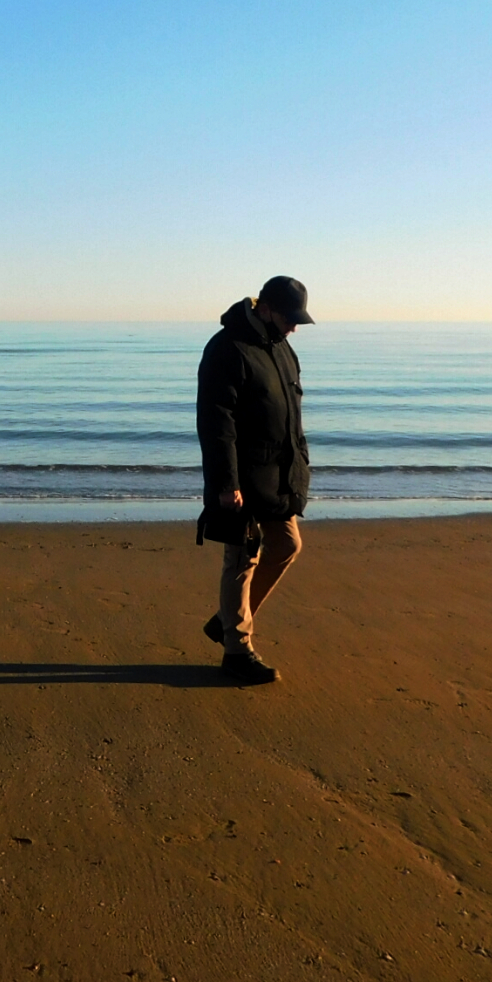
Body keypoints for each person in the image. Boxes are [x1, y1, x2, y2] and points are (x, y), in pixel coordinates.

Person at [195, 276, 314, 684]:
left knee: (286, 543)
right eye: (290, 318)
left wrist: (300, 466)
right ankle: (236, 651)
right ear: (265, 309)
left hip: (278, 474)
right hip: (242, 479)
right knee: (242, 559)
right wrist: (227, 484)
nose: (295, 326)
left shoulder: (280, 347)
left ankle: (228, 618)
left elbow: (292, 417)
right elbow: (216, 423)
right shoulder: (227, 348)